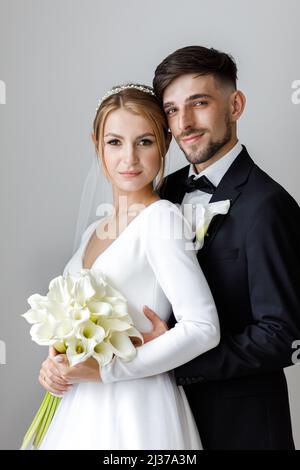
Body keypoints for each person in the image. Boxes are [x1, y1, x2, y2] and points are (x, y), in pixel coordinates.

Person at [130, 45, 300, 450]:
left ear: (235, 104)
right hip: (160, 420)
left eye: (199, 103)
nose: (184, 123)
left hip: (242, 428)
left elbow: (283, 335)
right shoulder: (161, 193)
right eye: (171, 110)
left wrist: (173, 361)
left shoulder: (268, 205)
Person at [37, 83, 220, 450]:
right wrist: (56, 361)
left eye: (145, 142)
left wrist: (108, 370)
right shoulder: (94, 230)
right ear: (97, 145)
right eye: (115, 142)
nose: (130, 159)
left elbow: (203, 328)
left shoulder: (161, 219)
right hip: (79, 405)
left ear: (165, 144)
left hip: (137, 406)